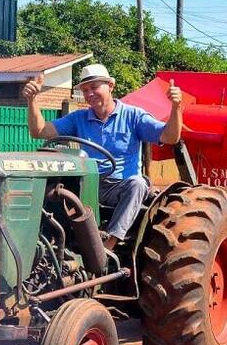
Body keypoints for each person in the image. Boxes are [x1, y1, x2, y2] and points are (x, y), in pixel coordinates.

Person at [22, 63, 182, 252]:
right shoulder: (78, 118)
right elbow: (39, 131)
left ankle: (108, 246)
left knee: (138, 184)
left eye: (94, 87)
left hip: (121, 186)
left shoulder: (133, 116)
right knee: (53, 187)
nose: (89, 94)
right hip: (88, 183)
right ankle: (48, 243)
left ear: (110, 86)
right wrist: (32, 100)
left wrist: (176, 106)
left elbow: (170, 137)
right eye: (85, 89)